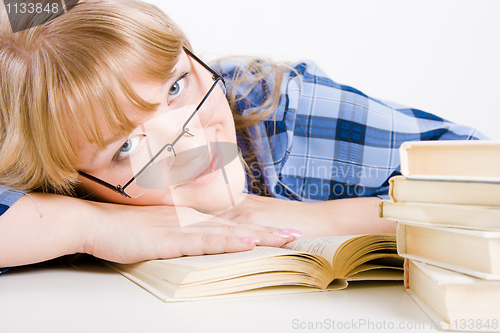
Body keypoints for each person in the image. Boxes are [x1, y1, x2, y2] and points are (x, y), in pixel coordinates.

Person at [0, 0, 487, 272]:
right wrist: (86, 225)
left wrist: (321, 219)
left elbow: (484, 177)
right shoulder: (45, 185)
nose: (193, 145)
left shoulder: (277, 111)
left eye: (176, 86)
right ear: (70, 181)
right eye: (126, 147)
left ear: (192, 56)